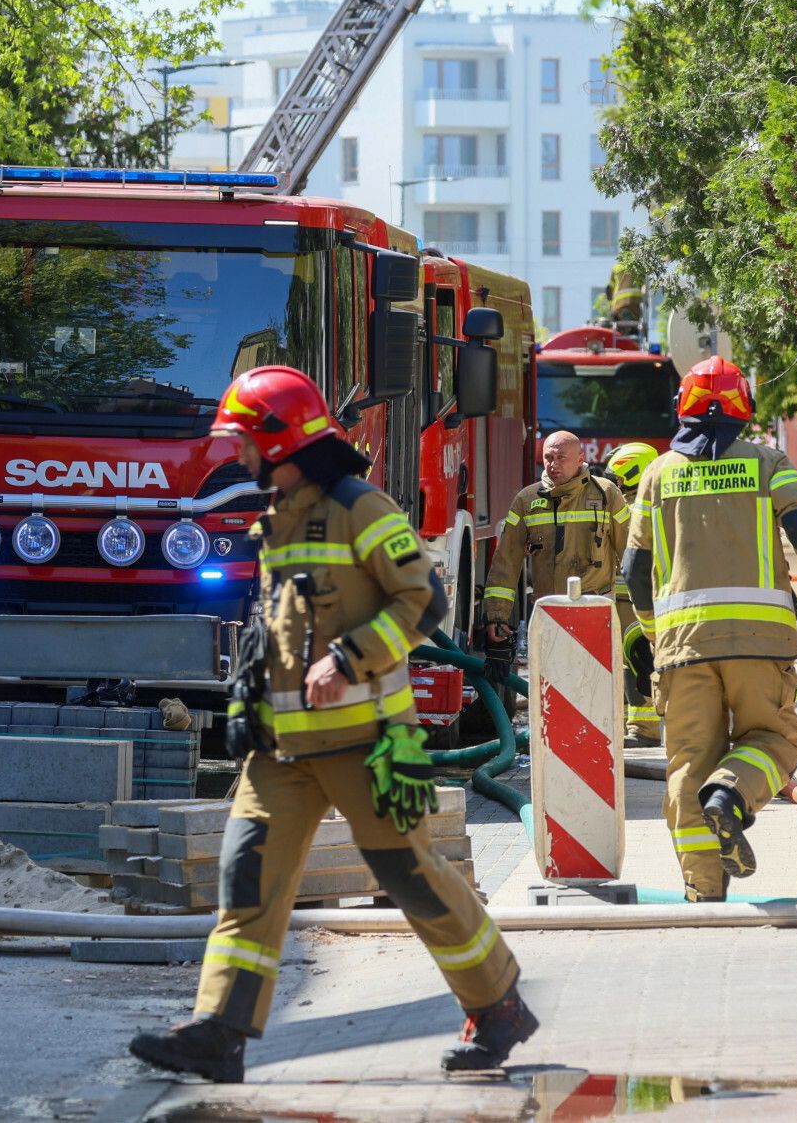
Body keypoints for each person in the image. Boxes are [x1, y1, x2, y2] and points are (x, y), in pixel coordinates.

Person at [128, 366, 536, 1083]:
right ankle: (220, 1031)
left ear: (279, 440)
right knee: (247, 874)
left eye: (245, 442)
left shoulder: (361, 507)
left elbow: (426, 600)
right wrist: (244, 705)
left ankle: (498, 1000)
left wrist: (350, 658)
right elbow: (277, 630)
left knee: (410, 876)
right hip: (282, 749)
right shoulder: (279, 514)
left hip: (365, 742)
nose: (238, 457)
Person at [621, 358, 797, 901]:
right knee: (776, 740)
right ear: (744, 407)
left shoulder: (657, 474)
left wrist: (652, 632)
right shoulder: (769, 463)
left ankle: (703, 893)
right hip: (761, 645)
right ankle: (731, 798)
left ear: (683, 407)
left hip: (681, 650)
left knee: (687, 766)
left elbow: (635, 572)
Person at [480, 431, 630, 684]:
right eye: (548, 457)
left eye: (562, 457)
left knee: (595, 687)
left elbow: (631, 553)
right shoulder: (526, 500)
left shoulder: (606, 495)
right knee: (554, 690)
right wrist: (496, 616)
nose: (553, 464)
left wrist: (645, 617)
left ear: (581, 458)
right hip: (549, 615)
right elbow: (506, 562)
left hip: (596, 612)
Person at [602, 442, 662, 745]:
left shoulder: (632, 505)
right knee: (629, 660)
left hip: (632, 597)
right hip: (630, 595)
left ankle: (644, 729)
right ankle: (633, 727)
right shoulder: (650, 499)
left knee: (636, 659)